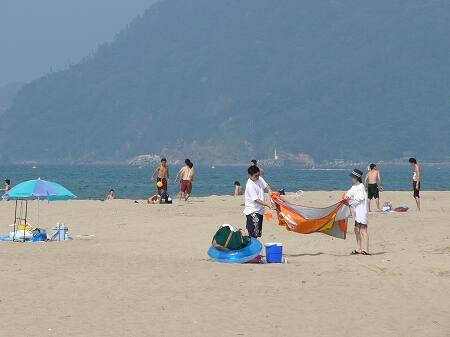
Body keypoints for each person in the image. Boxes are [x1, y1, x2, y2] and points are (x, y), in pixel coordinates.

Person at [243, 165, 273, 238]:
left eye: (258, 175)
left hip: (260, 211)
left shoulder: (259, 178)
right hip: (252, 212)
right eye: (255, 176)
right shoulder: (250, 185)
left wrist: (269, 191)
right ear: (249, 175)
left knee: (256, 233)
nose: (257, 177)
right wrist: (267, 204)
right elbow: (256, 200)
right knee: (252, 234)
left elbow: (266, 186)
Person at [345, 169, 370, 255]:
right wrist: (346, 197)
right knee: (356, 230)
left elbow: (360, 199)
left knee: (363, 230)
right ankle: (358, 248)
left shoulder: (361, 187)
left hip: (362, 212)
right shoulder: (354, 187)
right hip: (356, 212)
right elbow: (349, 193)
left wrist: (350, 202)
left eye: (353, 177)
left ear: (357, 177)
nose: (352, 178)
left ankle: (366, 250)